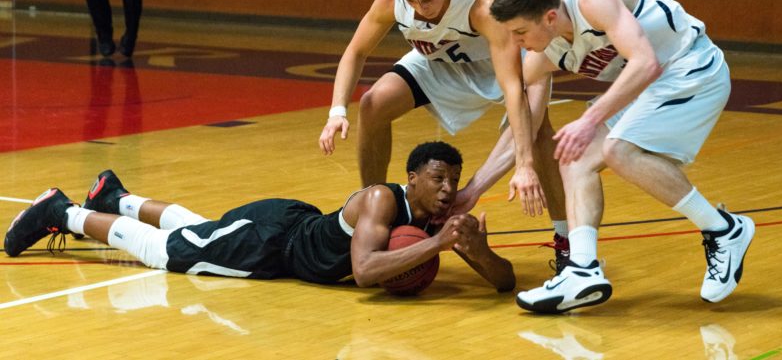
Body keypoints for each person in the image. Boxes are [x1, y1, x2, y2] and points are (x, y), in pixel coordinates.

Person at [488, 0, 755, 313]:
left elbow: (646, 62)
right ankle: (582, 270)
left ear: (550, 17)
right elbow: (524, 107)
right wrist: (522, 166)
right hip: (652, 87)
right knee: (573, 155)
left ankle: (723, 230)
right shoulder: (545, 49)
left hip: (692, 67)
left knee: (617, 150)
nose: (517, 42)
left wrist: (589, 119)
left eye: (521, 32)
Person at [317, 0, 569, 267]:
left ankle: (568, 243)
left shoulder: (484, 1)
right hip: (444, 59)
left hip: (505, 60)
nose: (420, 9)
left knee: (536, 133)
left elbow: (510, 87)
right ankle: (375, 213)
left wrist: (521, 166)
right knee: (373, 104)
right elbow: (356, 50)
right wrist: (337, 111)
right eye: (413, 1)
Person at [3, 142, 515, 291]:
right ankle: (63, 211)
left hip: (289, 228)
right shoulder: (384, 200)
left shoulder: (441, 216)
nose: (449, 189)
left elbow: (502, 282)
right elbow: (364, 274)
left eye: (454, 179)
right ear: (412, 179)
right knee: (169, 253)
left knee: (196, 229)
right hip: (274, 244)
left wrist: (477, 249)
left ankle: (115, 197)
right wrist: (438, 245)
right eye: (438, 179)